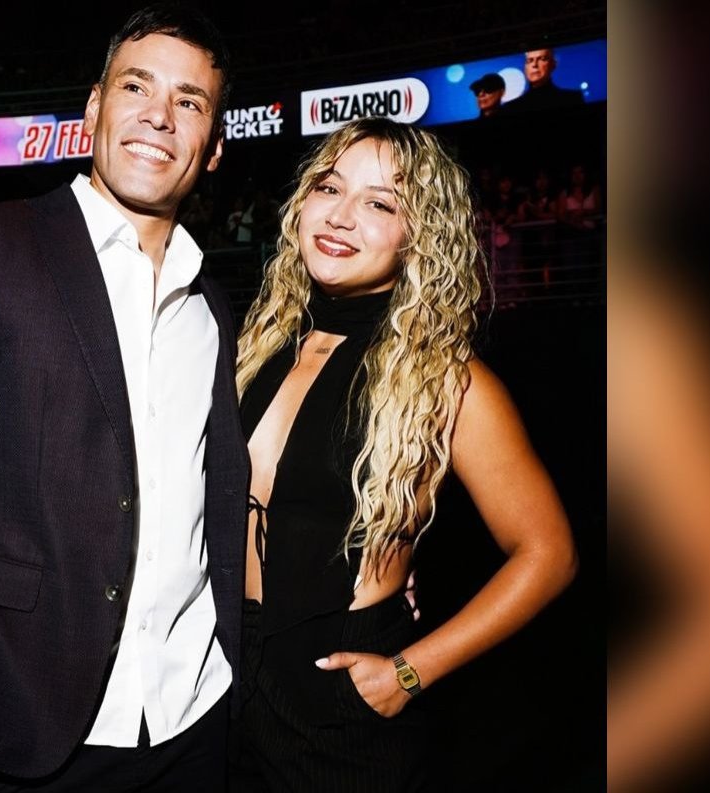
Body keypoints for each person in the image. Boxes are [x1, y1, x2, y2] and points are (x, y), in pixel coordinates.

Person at [0, 5, 249, 791]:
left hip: (194, 718)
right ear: (93, 109)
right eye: (136, 86)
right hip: (15, 725)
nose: (159, 116)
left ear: (214, 148)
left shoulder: (212, 305)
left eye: (190, 101)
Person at [229, 117, 577, 791]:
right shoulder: (255, 344)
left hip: (342, 695)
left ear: (419, 236)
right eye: (330, 187)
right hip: (223, 678)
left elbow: (549, 554)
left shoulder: (448, 381)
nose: (341, 216)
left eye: (380, 204)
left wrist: (411, 672)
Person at [503, 48, 585, 113]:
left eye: (542, 59)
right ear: (525, 68)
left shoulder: (572, 99)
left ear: (553, 64)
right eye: (529, 61)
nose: (534, 65)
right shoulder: (511, 108)